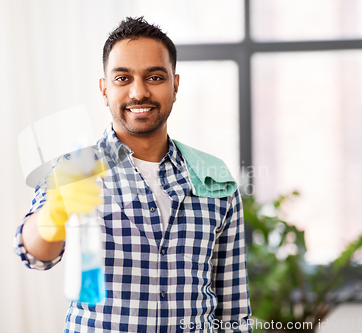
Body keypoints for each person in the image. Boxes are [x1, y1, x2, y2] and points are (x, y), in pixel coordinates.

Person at [14, 17, 252, 332]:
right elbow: (34, 254)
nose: (138, 92)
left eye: (154, 77)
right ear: (104, 89)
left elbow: (233, 306)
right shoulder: (75, 169)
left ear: (175, 85)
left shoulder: (213, 177)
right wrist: (54, 214)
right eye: (123, 78)